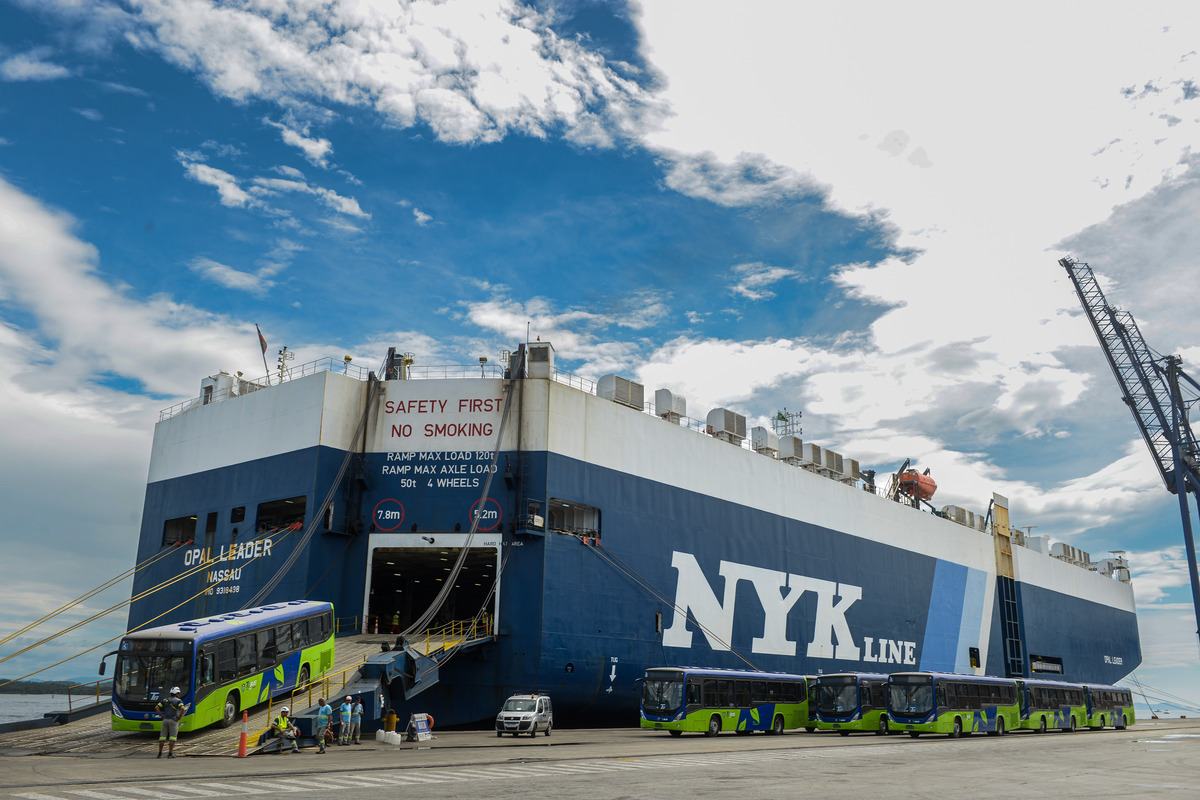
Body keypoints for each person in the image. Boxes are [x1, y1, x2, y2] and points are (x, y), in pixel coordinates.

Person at [155, 687, 188, 759]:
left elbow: (157, 707)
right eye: (178, 693)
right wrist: (180, 716)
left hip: (165, 720)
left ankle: (159, 754)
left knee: (162, 737)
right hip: (173, 720)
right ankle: (170, 754)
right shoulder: (178, 701)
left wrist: (161, 715)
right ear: (176, 693)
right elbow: (182, 708)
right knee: (172, 737)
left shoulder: (165, 700)